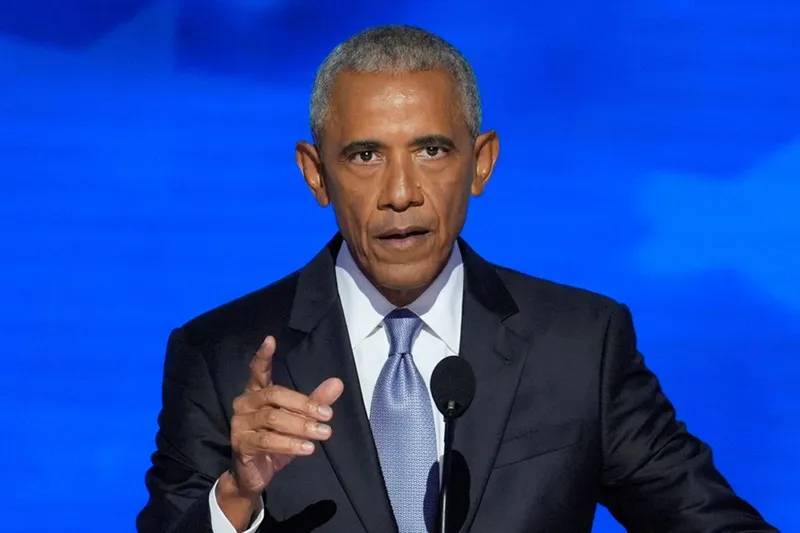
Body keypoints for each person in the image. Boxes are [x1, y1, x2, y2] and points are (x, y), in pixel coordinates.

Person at [136, 25, 777, 533]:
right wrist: (236, 497)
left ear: (481, 163)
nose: (401, 193)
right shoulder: (220, 357)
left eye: (432, 150)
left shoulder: (581, 345)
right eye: (365, 155)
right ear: (316, 174)